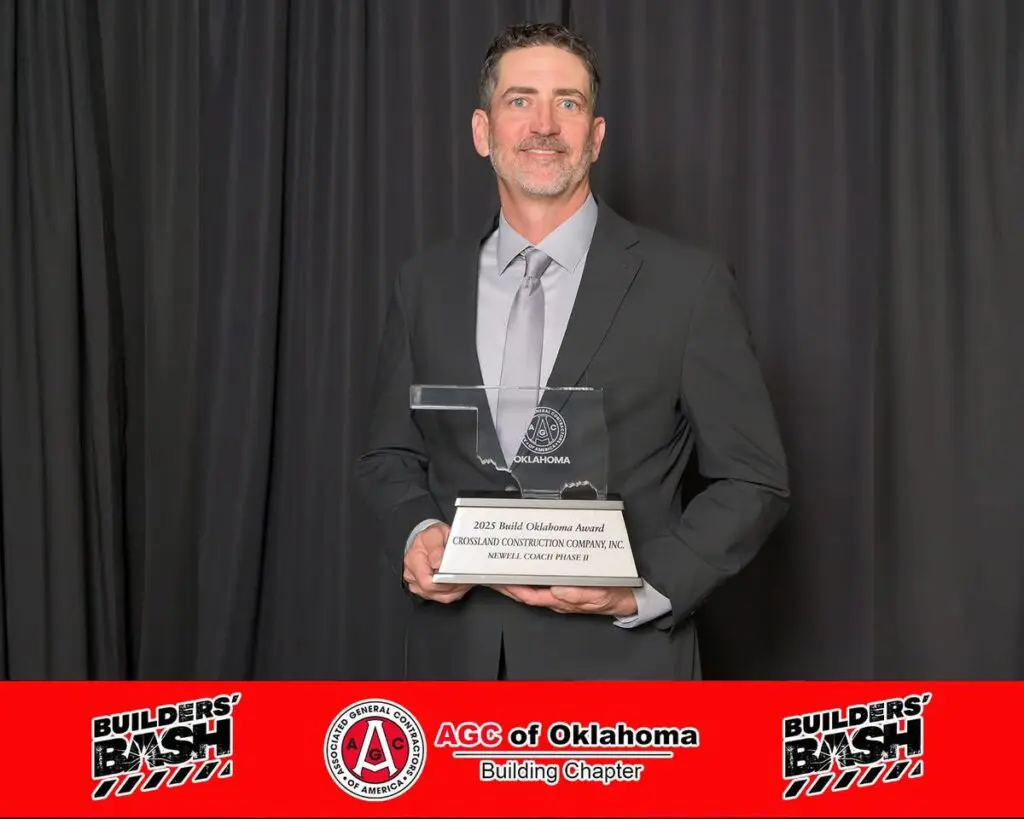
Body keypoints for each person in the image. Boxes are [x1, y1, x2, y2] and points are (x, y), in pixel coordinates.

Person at [355, 22, 790, 680]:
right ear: (482, 131)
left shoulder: (688, 284)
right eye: (520, 100)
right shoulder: (424, 284)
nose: (544, 125)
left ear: (595, 135)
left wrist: (644, 587)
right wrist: (417, 531)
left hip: (623, 676)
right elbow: (389, 454)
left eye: (568, 103)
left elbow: (754, 478)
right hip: (456, 669)